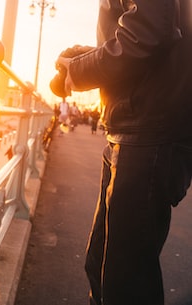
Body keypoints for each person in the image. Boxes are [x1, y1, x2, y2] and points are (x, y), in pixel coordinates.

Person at [54, 1, 192, 304]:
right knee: (102, 267)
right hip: (134, 127)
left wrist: (78, 71)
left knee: (124, 283)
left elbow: (149, 31)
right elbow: (148, 31)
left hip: (146, 133)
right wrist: (86, 58)